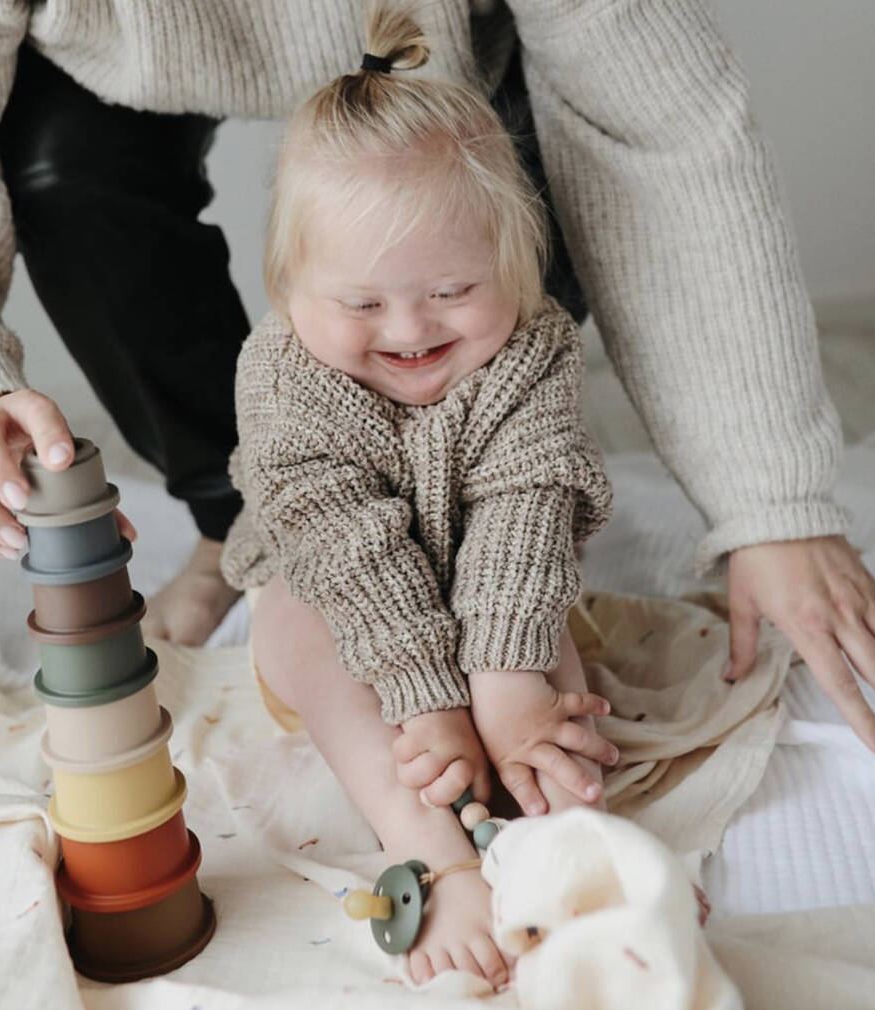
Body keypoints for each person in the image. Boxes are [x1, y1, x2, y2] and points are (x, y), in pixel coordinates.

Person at [0, 4, 875, 741]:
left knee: (485, 283)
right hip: (108, 82)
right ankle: (236, 520)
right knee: (60, 160)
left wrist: (769, 503)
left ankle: (481, 526)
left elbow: (655, 128)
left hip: (443, 62)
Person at [220, 6, 618, 985]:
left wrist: (506, 693)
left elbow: (526, 509)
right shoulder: (284, 376)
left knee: (545, 660)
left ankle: (568, 841)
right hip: (339, 597)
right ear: (287, 287)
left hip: (488, 588)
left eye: (450, 289)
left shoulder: (531, 347)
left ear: (514, 270)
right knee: (304, 630)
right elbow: (344, 544)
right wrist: (426, 699)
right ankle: (437, 856)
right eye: (360, 303)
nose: (407, 328)